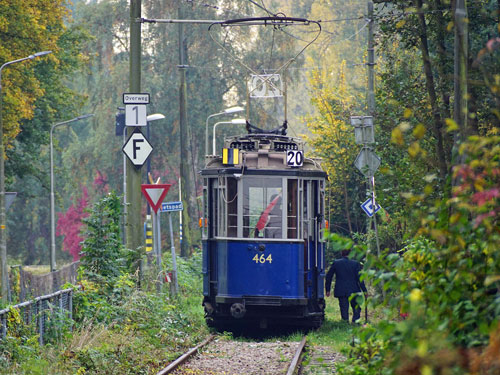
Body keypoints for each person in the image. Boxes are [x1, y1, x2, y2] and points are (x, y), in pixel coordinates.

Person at [325, 249, 367, 323]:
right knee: (356, 307)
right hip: (354, 289)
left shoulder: (336, 263)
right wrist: (364, 291)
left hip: (341, 289)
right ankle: (355, 321)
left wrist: (327, 289)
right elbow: (360, 278)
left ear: (341, 253)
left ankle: (345, 322)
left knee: (344, 308)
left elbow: (329, 276)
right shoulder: (355, 264)